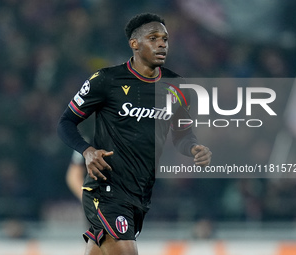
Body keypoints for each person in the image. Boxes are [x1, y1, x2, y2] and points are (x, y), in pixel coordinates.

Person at [57, 13, 212, 255]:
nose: (162, 44)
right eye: (153, 38)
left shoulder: (178, 87)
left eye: (165, 39)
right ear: (135, 44)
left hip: (139, 193)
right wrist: (86, 151)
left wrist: (194, 148)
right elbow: (66, 122)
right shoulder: (106, 80)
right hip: (106, 188)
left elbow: (182, 135)